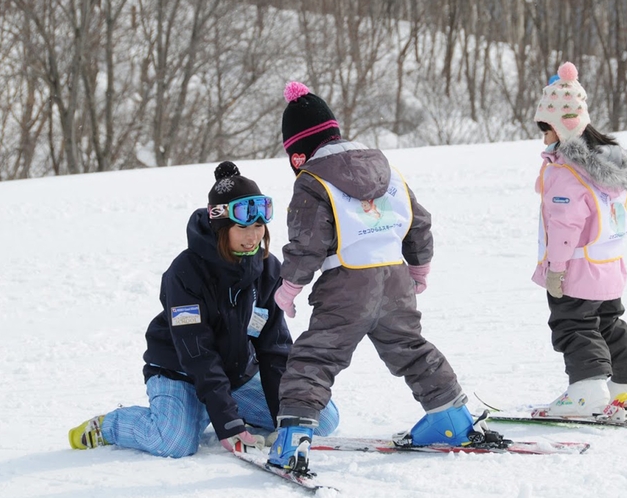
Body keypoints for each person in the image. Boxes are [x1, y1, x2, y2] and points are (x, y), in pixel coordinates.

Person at [266, 82, 481, 472]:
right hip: (395, 277)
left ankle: (293, 440)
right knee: (410, 348)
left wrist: (290, 287)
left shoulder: (311, 181)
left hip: (346, 284)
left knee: (316, 357)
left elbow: (308, 242)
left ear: (298, 151)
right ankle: (452, 419)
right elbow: (419, 221)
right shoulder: (387, 168)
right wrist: (419, 268)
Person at [68, 161, 339, 458]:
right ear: (222, 226)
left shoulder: (268, 270)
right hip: (181, 372)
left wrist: (284, 417)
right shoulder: (185, 273)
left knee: (319, 419)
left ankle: (226, 411)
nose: (253, 236)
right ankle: (111, 426)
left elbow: (273, 348)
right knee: (173, 443)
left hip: (236, 375)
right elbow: (199, 355)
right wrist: (228, 423)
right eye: (243, 227)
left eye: (259, 226)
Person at [531, 62, 627, 419]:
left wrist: (556, 270)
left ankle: (586, 394)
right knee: (607, 322)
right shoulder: (604, 164)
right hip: (608, 266)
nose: (543, 138)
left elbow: (565, 226)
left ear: (560, 127)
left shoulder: (566, 172)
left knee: (573, 325)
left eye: (546, 129)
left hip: (577, 269)